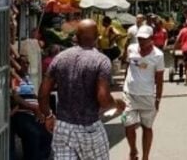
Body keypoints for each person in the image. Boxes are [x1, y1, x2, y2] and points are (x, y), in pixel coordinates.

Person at [38, 20, 125, 160]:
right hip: (89, 128)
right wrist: (116, 103)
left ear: (76, 37)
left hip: (63, 127)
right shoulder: (101, 61)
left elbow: (43, 93)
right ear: (97, 37)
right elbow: (103, 98)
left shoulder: (60, 58)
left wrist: (48, 116)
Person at [122, 25, 164, 160]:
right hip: (130, 94)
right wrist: (125, 83)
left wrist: (157, 100)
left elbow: (159, 80)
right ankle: (133, 150)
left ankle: (146, 157)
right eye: (139, 38)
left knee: (147, 127)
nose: (141, 42)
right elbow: (127, 65)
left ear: (151, 39)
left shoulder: (158, 55)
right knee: (128, 124)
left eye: (145, 39)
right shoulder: (131, 49)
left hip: (147, 96)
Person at [10, 55, 52, 160]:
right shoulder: (15, 78)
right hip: (22, 112)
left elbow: (34, 95)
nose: (27, 65)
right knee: (33, 134)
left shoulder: (27, 78)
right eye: (23, 63)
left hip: (34, 112)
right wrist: (33, 107)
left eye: (28, 62)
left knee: (47, 134)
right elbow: (16, 97)